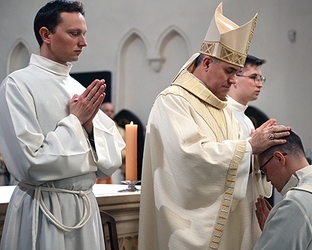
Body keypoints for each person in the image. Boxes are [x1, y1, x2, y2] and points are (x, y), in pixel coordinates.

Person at [138, 3, 291, 249]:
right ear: (207, 63)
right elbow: (189, 160)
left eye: (237, 72)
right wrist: (250, 146)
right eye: (230, 71)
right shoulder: (173, 102)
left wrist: (261, 158)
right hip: (187, 230)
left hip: (234, 227)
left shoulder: (224, 111)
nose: (233, 81)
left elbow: (238, 164)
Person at [0, 1, 125, 250]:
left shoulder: (78, 90)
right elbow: (30, 165)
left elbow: (109, 163)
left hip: (84, 207)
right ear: (46, 35)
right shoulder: (17, 86)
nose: (83, 42)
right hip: (43, 211)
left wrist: (88, 128)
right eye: (74, 34)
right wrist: (75, 122)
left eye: (84, 34)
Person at [226, 55, 275, 246]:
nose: (259, 83)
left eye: (261, 78)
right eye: (254, 77)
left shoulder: (246, 119)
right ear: (234, 78)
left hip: (249, 200)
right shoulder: (224, 115)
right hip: (232, 206)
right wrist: (252, 145)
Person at [99, 102, 126, 183]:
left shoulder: (121, 131)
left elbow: (125, 151)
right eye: (106, 110)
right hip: (98, 168)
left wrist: (113, 154)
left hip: (115, 170)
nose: (109, 113)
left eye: (112, 111)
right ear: (100, 112)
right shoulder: (92, 127)